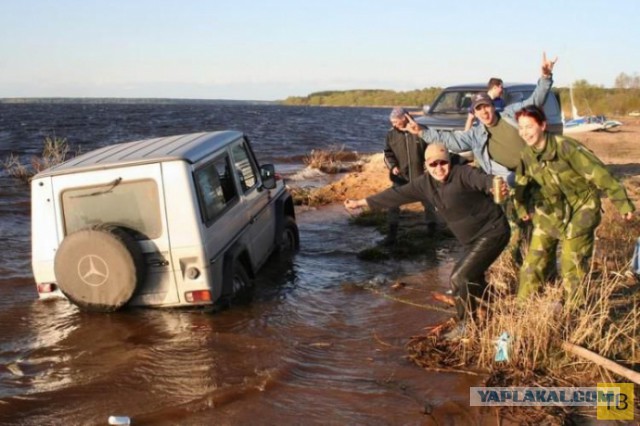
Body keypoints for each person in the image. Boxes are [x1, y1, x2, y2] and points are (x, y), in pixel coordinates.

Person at [344, 144, 510, 334]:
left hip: (493, 231)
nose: (439, 169)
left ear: (449, 161)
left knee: (459, 277)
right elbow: (396, 195)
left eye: (443, 163)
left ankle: (468, 325)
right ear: (426, 165)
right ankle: (497, 306)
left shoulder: (463, 173)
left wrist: (496, 184)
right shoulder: (424, 184)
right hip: (471, 240)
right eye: (433, 164)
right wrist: (361, 203)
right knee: (472, 279)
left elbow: (483, 179)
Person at [513, 105, 635, 306]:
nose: (525, 132)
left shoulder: (566, 147)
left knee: (572, 265)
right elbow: (521, 183)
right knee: (532, 264)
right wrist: (520, 208)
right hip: (550, 211)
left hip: (581, 208)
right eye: (521, 128)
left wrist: (623, 203)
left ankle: (574, 311)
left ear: (543, 125)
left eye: (529, 126)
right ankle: (523, 308)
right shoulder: (526, 154)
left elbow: (599, 173)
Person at [382, 107, 438, 244]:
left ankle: (432, 233)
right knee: (393, 203)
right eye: (392, 122)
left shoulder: (421, 129)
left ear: (404, 118)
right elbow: (388, 153)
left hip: (421, 175)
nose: (394, 124)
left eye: (396, 121)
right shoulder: (391, 135)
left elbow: (433, 148)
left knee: (430, 203)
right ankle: (392, 234)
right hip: (401, 177)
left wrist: (429, 166)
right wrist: (393, 166)